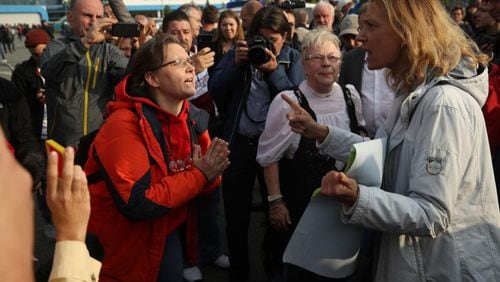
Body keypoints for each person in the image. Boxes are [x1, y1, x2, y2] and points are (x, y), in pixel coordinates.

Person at [284, 0, 500, 281]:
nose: (360, 37)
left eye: (372, 26)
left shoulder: (444, 104)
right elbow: (382, 151)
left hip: (440, 269)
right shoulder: (413, 92)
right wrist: (321, 132)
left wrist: (357, 197)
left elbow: (431, 213)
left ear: (408, 31)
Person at [84, 34, 230, 282]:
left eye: (188, 60)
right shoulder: (123, 125)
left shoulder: (192, 119)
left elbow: (207, 186)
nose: (190, 66)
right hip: (123, 244)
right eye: (177, 62)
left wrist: (208, 173)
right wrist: (200, 174)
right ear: (152, 78)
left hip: (166, 230)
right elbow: (138, 203)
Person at [256, 29, 365, 281]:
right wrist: (275, 203)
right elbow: (268, 156)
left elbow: (360, 143)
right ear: (304, 64)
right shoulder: (287, 101)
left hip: (343, 207)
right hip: (301, 207)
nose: (326, 63)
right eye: (317, 57)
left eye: (333, 57)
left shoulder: (351, 96)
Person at [209, 6, 304, 282]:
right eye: (259, 39)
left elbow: (297, 100)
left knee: (278, 215)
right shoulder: (238, 54)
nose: (265, 46)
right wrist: (237, 65)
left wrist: (274, 71)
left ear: (285, 37)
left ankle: (273, 265)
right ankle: (239, 273)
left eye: (272, 40)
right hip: (239, 144)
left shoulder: (292, 57)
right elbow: (215, 90)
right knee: (236, 217)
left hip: (277, 149)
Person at [40, 0, 128, 147]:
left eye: (99, 17)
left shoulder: (108, 51)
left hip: (99, 143)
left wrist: (142, 47)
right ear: (70, 17)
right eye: (87, 16)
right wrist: (84, 43)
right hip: (64, 144)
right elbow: (50, 72)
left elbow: (130, 79)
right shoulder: (56, 46)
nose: (94, 22)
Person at [339, 3, 394, 138]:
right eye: (361, 28)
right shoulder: (349, 60)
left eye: (371, 27)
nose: (360, 37)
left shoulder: (402, 62)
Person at [12, 28, 51, 143]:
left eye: (44, 52)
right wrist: (35, 97)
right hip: (35, 132)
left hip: (60, 131)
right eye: (36, 55)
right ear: (29, 51)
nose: (41, 58)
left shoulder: (60, 67)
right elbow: (15, 103)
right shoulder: (21, 72)